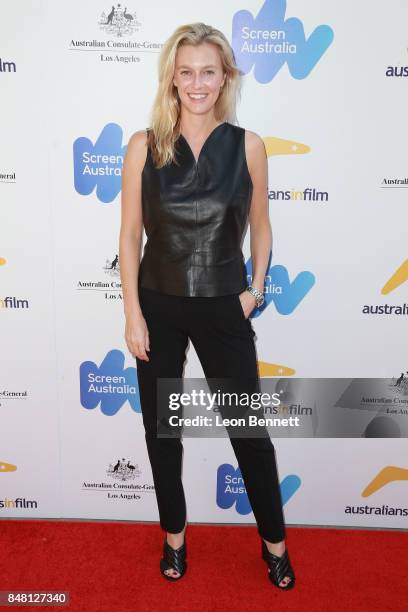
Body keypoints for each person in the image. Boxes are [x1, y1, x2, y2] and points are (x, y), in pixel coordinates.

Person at [119, 22, 296, 590]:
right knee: (161, 433)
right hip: (158, 307)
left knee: (249, 433)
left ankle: (275, 545)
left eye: (209, 72)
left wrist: (256, 289)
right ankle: (174, 538)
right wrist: (132, 315)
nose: (197, 83)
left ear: (226, 78)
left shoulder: (248, 145)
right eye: (187, 71)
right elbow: (128, 239)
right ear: (173, 77)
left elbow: (262, 227)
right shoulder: (144, 145)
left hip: (225, 305)